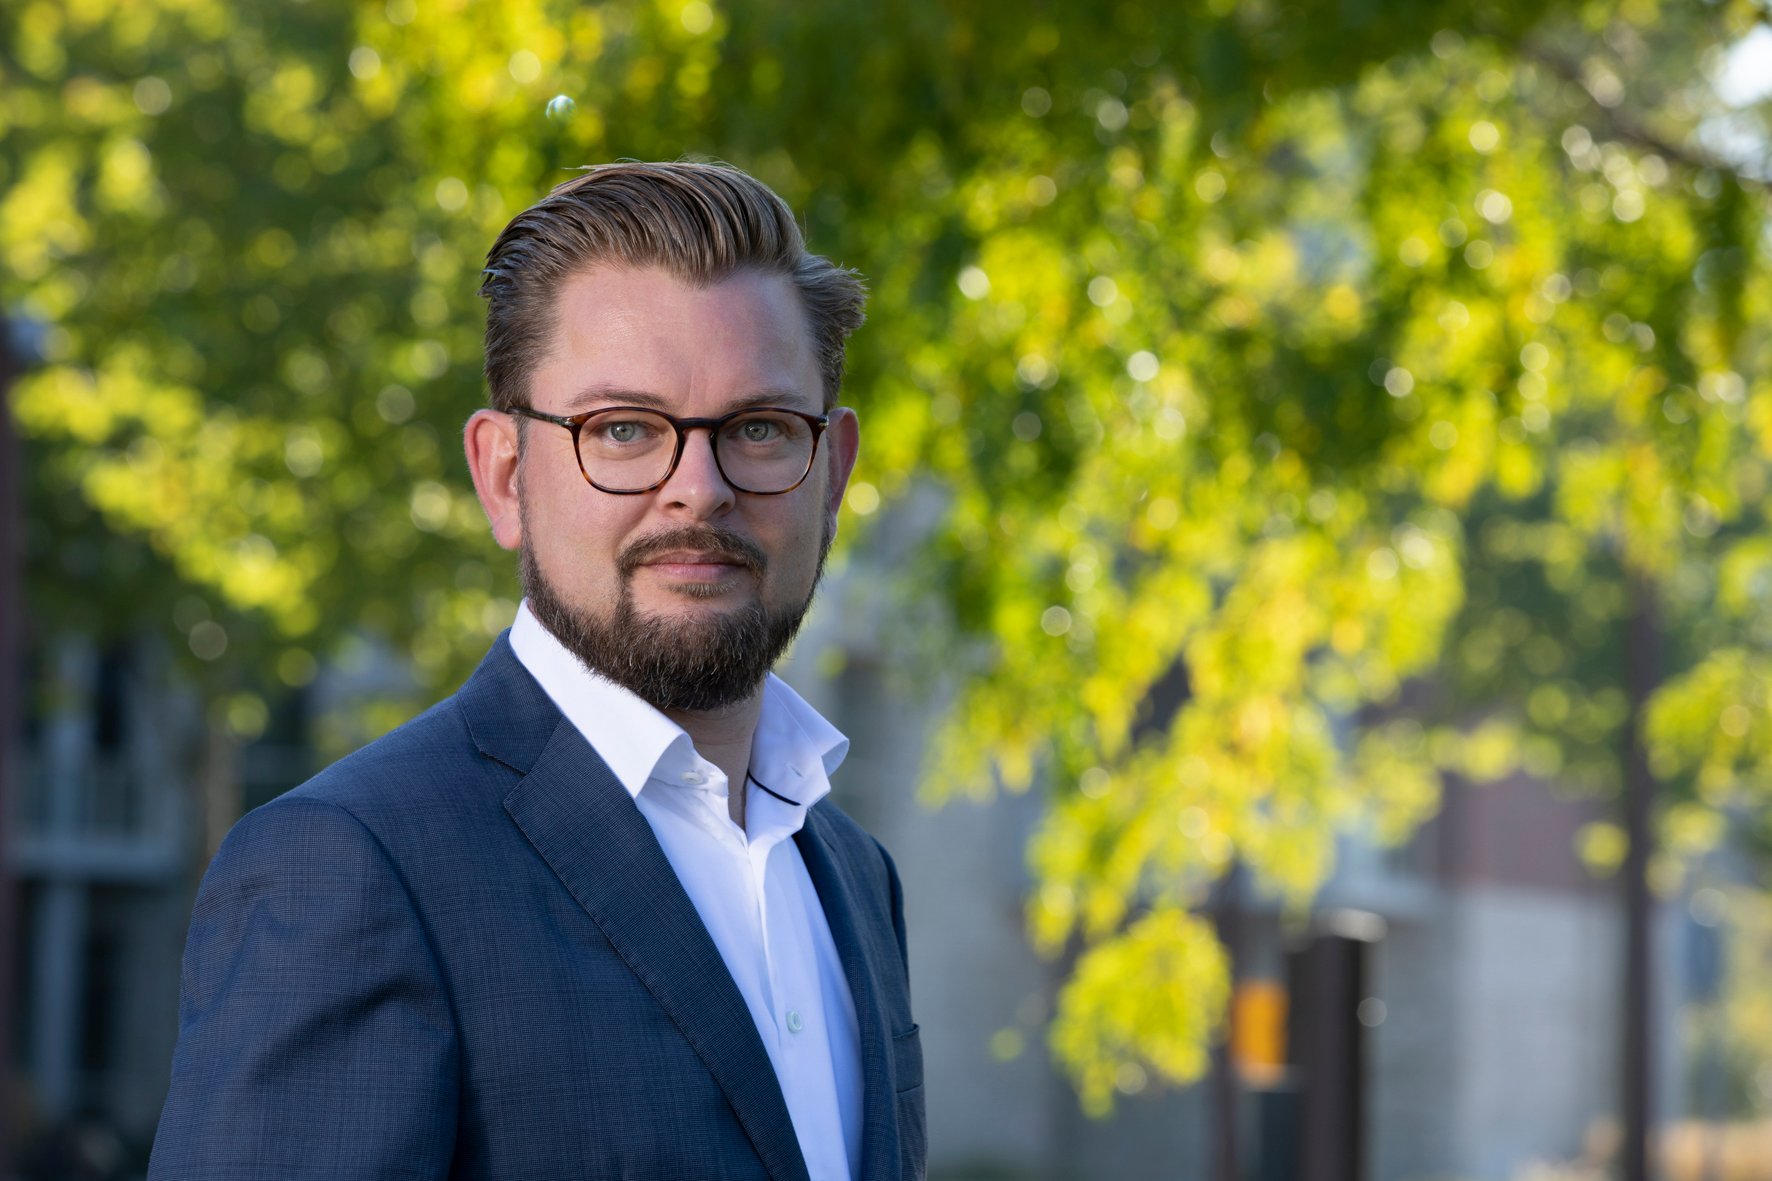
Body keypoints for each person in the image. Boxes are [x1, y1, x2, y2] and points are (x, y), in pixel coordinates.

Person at [148, 161, 924, 1181]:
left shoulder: (853, 872)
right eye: (623, 430)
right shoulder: (352, 869)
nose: (698, 488)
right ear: (504, 475)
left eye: (760, 428)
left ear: (831, 471)